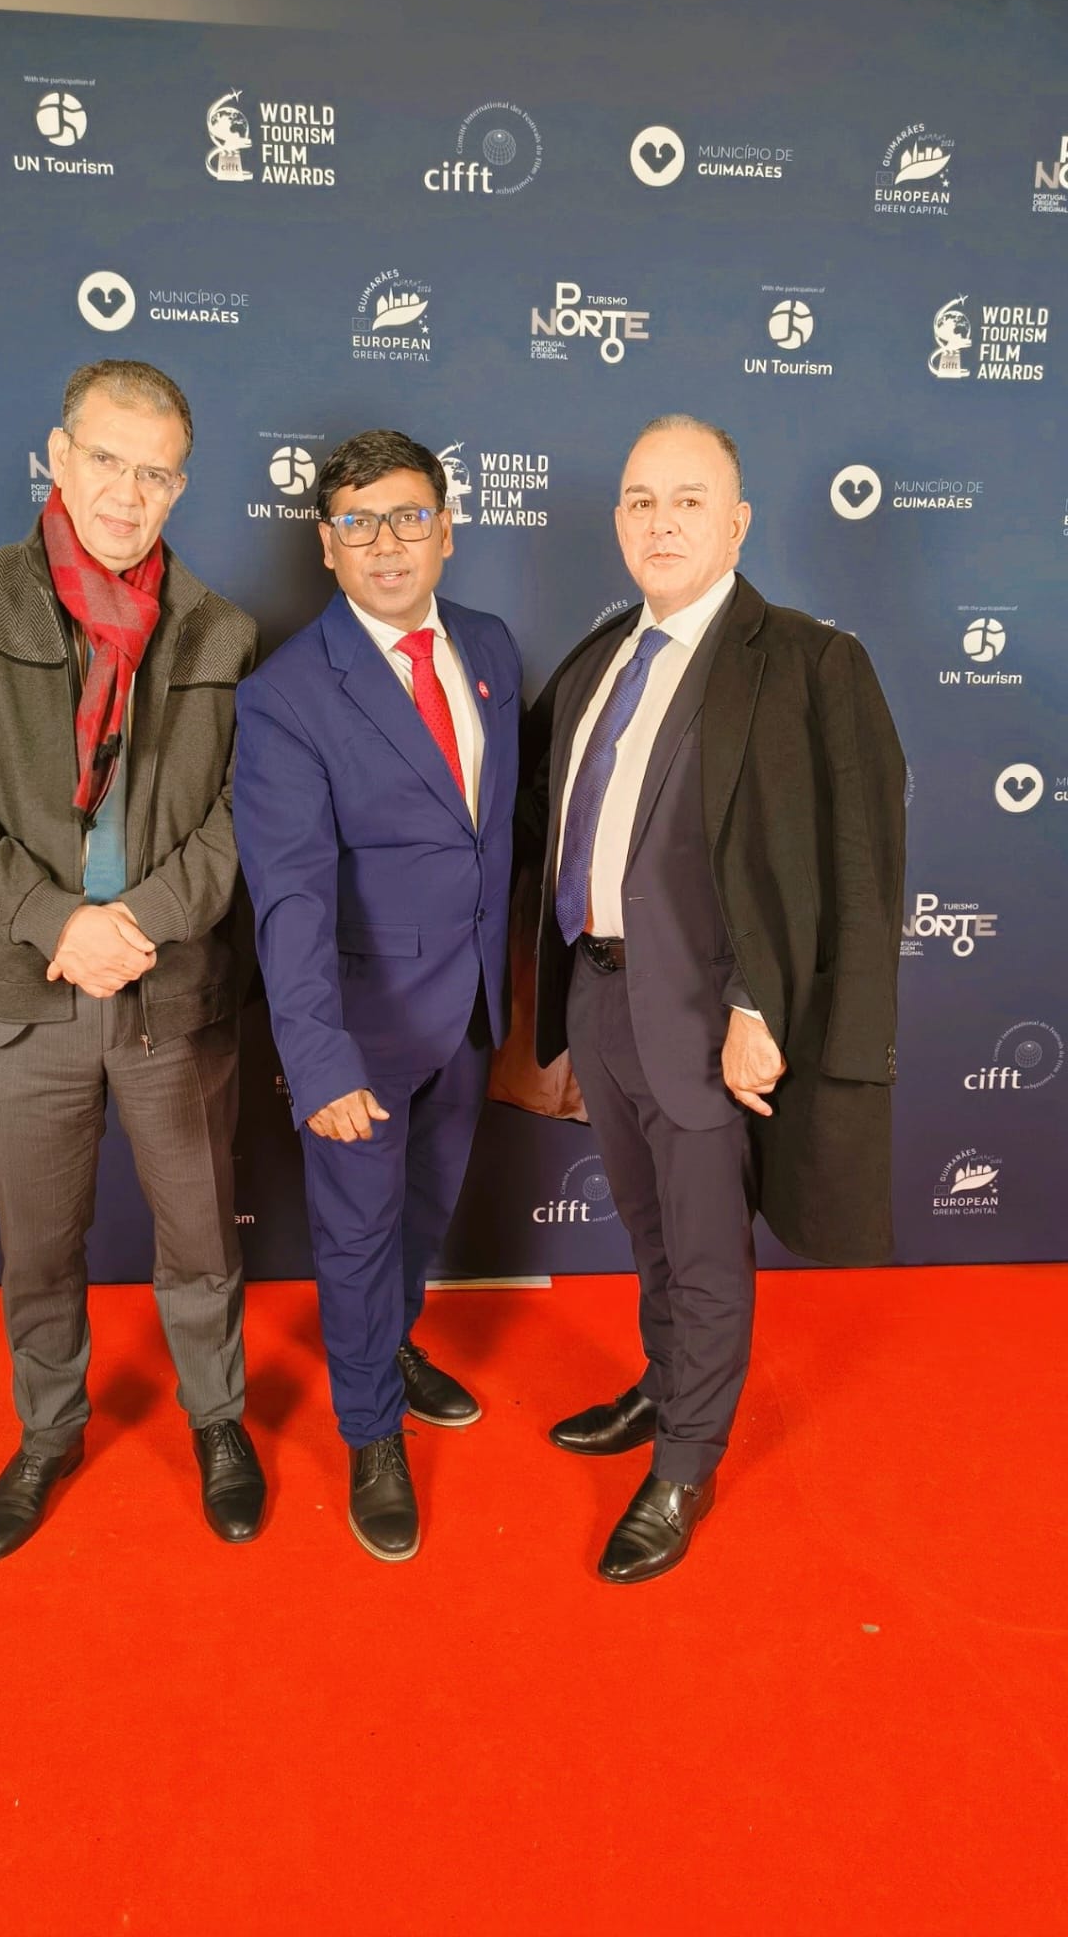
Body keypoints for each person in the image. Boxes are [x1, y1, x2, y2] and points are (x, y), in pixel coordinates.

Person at [524, 413, 904, 1585]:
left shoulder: (806, 660)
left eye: (688, 500)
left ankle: (686, 1462)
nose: (662, 521)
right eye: (642, 501)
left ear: (736, 523)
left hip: (706, 1018)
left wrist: (760, 1007)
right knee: (649, 1229)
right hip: (600, 996)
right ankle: (666, 1380)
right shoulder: (599, 658)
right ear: (618, 522)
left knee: (701, 1245)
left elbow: (853, 863)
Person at [0, 359, 266, 1558]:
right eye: (107, 460)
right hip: (23, 990)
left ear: (182, 486)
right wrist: (55, 918)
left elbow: (244, 814)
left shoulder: (223, 631)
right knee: (37, 1244)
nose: (127, 492)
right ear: (59, 458)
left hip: (172, 988)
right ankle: (49, 1428)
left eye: (155, 472)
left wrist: (144, 918)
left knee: (202, 1236)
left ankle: (217, 1417)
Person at [233, 429, 520, 1563]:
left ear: (446, 529)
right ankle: (369, 1433)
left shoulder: (489, 645)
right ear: (327, 545)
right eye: (358, 523)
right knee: (354, 1237)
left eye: (408, 517)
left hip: (471, 1009)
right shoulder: (287, 695)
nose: (386, 543)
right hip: (358, 1027)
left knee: (423, 1213)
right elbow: (289, 894)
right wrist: (318, 1058)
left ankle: (390, 1345)